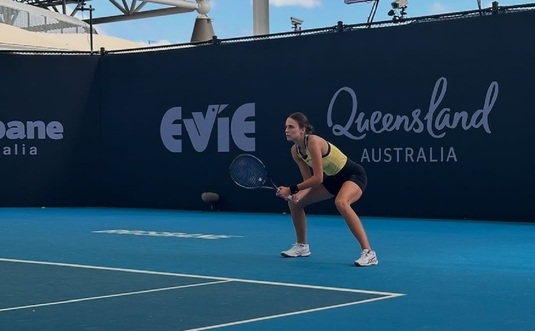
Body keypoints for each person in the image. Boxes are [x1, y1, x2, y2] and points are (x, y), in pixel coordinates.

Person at [275, 112, 378, 267]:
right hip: (333, 179)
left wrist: (291, 189)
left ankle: (369, 253)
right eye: (286, 127)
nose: (286, 130)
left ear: (302, 130)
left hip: (353, 175)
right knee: (295, 203)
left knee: (341, 202)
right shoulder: (295, 151)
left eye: (291, 127)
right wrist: (296, 195)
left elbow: (318, 178)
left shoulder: (314, 142)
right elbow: (308, 181)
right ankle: (302, 246)